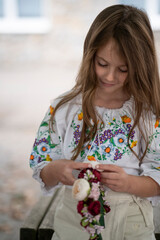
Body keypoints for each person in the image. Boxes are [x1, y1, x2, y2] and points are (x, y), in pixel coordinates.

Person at [29, 4, 160, 240]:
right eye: (102, 64)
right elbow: (41, 166)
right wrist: (56, 170)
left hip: (132, 224)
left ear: (142, 66)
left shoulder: (150, 114)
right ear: (90, 54)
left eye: (123, 69)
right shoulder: (63, 109)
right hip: (72, 222)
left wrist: (129, 183)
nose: (110, 76)